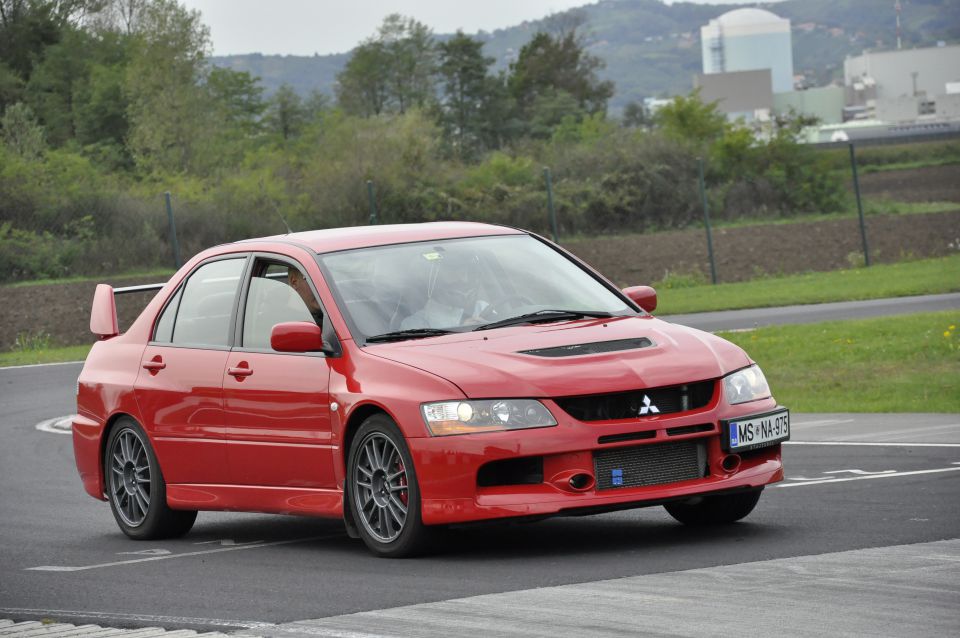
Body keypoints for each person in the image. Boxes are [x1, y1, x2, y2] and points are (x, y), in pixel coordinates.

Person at [400, 251, 488, 330]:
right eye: (454, 272)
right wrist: (462, 331)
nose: (464, 280)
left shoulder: (483, 308)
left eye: (465, 272)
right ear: (435, 279)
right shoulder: (414, 325)